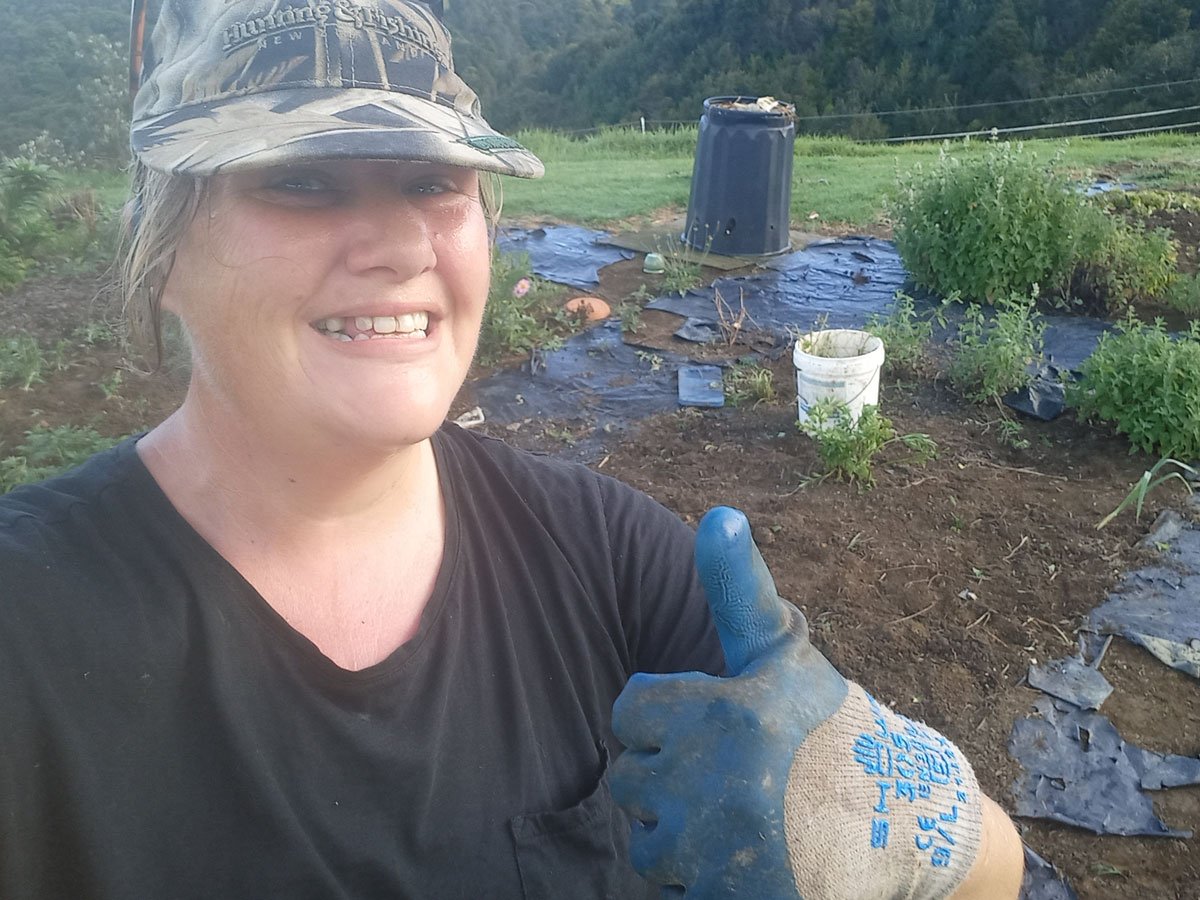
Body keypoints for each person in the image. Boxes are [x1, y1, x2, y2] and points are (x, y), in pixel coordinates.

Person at [0, 1, 1024, 897]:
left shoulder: (609, 560)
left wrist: (895, 825)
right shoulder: (32, 631)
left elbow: (996, 872)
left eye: (432, 182)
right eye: (302, 181)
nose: (400, 244)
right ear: (163, 249)